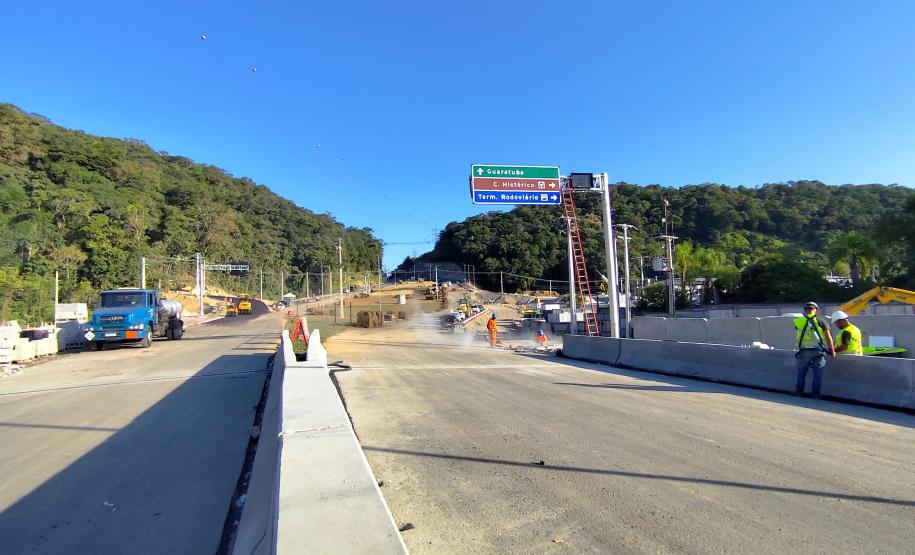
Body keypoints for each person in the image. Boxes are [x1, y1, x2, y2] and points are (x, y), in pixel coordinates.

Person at [793, 301, 836, 398]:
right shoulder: (821, 321)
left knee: (801, 373)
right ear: (816, 310)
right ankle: (816, 394)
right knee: (818, 374)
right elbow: (828, 337)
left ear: (805, 310)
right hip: (818, 351)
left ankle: (799, 392)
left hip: (804, 350)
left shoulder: (798, 321)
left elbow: (798, 329)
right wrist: (832, 351)